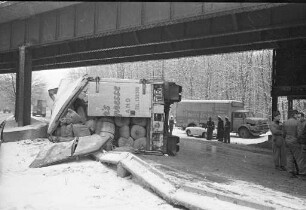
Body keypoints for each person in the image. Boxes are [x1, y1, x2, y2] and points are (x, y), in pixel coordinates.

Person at [283, 109, 302, 178]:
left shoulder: (285, 122)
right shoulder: (297, 122)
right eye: (297, 114)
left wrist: (286, 139)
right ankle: (300, 172)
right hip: (294, 141)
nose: (298, 115)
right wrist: (298, 140)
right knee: (298, 157)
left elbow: (284, 133)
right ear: (294, 115)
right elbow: (299, 134)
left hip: (287, 141)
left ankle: (290, 172)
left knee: (289, 157)